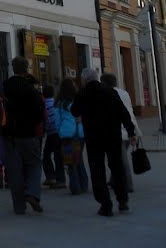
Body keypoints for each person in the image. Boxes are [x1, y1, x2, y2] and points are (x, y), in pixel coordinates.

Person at [71, 67, 137, 217]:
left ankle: (105, 205)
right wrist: (131, 132)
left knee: (97, 171)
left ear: (84, 80)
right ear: (97, 77)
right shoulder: (109, 91)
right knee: (117, 167)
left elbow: (74, 111)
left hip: (94, 138)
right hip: (112, 136)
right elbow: (123, 113)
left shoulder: (82, 93)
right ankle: (123, 201)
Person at [1, 57, 45, 215]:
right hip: (27, 134)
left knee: (14, 171)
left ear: (12, 68)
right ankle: (32, 193)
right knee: (33, 164)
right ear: (26, 69)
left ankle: (19, 207)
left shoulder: (3, 86)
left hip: (8, 135)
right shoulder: (30, 89)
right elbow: (40, 113)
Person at [101, 72, 140, 194]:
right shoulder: (124, 93)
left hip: (119, 130)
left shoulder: (106, 94)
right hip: (130, 128)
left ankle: (128, 185)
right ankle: (113, 181)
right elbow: (130, 110)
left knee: (122, 160)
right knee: (118, 157)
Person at [56, 78, 88, 194]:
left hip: (66, 135)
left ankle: (75, 187)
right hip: (79, 134)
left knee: (70, 161)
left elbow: (57, 121)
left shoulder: (59, 103)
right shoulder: (78, 100)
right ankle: (83, 185)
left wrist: (60, 132)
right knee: (79, 160)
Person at [41, 85, 65, 189]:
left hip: (51, 133)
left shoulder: (44, 104)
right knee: (58, 156)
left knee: (46, 155)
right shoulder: (55, 103)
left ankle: (51, 177)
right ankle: (61, 179)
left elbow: (45, 120)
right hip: (59, 132)